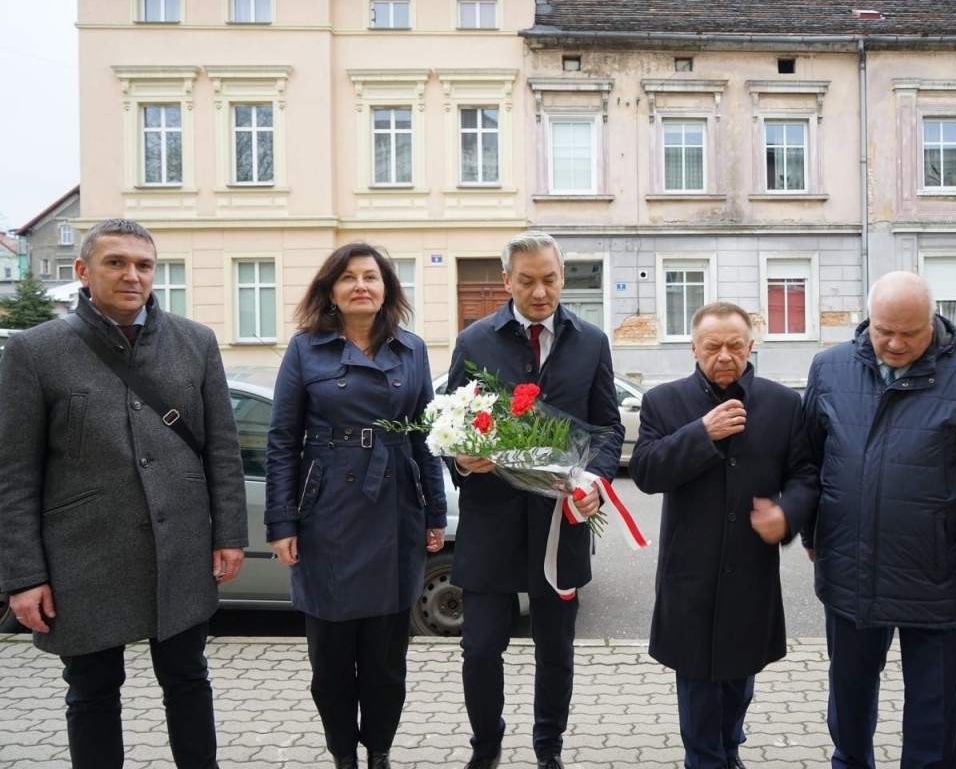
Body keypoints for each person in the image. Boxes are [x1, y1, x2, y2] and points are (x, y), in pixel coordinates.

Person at [0, 218, 248, 769]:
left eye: (143, 265)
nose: (131, 275)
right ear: (84, 271)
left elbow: (222, 452)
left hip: (180, 549)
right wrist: (23, 575)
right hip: (84, 556)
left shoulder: (195, 343)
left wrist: (229, 534)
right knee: (91, 692)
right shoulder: (34, 352)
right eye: (116, 263)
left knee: (188, 680)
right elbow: (14, 474)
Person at [802, 271, 956, 768]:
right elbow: (808, 461)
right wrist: (813, 532)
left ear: (933, 322)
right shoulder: (829, 368)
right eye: (883, 330)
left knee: (933, 712)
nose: (894, 343)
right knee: (848, 698)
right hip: (850, 566)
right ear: (868, 319)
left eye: (908, 333)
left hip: (936, 575)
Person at [265, 243, 447, 769]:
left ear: (387, 287)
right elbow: (282, 440)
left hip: (394, 510)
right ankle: (344, 753)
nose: (360, 285)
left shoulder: (412, 350)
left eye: (371, 276)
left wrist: (434, 513)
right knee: (330, 662)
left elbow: (423, 437)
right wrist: (282, 522)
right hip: (328, 516)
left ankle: (380, 751)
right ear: (331, 291)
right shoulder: (306, 350)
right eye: (348, 278)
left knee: (388, 661)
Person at [446, 231, 623, 769]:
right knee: (478, 650)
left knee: (556, 653)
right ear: (507, 281)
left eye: (549, 279)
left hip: (559, 526)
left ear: (562, 277)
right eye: (527, 281)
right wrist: (460, 458)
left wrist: (594, 479)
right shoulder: (474, 340)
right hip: (489, 527)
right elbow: (450, 426)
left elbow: (608, 428)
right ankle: (487, 746)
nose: (540, 291)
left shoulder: (590, 341)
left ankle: (549, 749)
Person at [628, 301, 816, 769]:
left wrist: (787, 513)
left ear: (752, 346)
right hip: (689, 573)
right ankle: (707, 758)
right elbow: (646, 472)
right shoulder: (664, 402)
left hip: (750, 572)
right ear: (694, 348)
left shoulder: (782, 404)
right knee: (696, 684)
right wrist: (701, 433)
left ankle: (729, 745)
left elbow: (806, 477)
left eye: (735, 345)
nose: (725, 355)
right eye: (713, 347)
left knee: (738, 681)